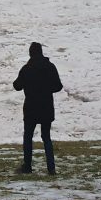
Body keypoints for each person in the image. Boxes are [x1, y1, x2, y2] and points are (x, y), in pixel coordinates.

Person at [13, 42, 63, 174]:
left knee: (28, 137)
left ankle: (27, 167)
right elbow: (58, 86)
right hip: (46, 107)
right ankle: (51, 168)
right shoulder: (50, 67)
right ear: (41, 52)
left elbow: (17, 86)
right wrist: (46, 90)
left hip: (31, 108)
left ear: (30, 53)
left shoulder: (26, 69)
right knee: (46, 137)